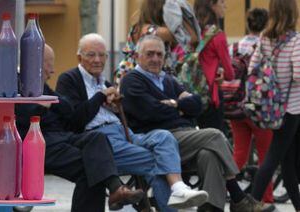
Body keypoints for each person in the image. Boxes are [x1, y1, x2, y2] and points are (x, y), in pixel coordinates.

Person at [56, 33, 208, 212]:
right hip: (99, 140)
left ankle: (178, 189)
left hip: (124, 133)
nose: (97, 60)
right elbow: (74, 120)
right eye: (91, 55)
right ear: (79, 57)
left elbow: (196, 104)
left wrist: (115, 106)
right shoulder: (69, 79)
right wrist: (100, 97)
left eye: (102, 55)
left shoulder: (103, 82)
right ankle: (174, 199)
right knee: (157, 164)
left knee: (164, 136)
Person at [119, 35, 267, 212]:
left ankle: (210, 209)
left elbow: (197, 105)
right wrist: (181, 106)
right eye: (150, 54)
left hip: (185, 137)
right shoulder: (131, 81)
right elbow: (150, 112)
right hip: (158, 140)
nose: (156, 59)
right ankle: (237, 196)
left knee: (209, 154)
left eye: (160, 54)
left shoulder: (168, 79)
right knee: (214, 135)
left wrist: (174, 104)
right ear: (137, 56)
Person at [15, 45, 145, 212]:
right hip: (38, 140)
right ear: (36, 63)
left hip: (62, 136)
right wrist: (44, 106)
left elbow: (67, 108)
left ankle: (116, 189)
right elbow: (25, 114)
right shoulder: (19, 83)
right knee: (91, 169)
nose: (52, 70)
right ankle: (116, 189)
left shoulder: (40, 86)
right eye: (49, 64)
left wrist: (49, 103)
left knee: (96, 137)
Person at [248, 0, 300, 211]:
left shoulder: (264, 39)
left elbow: (252, 67)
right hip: (291, 108)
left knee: (286, 161)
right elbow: (298, 74)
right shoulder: (295, 41)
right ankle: (249, 204)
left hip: (271, 106)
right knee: (272, 159)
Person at [223, 8, 274, 205]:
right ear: (267, 24)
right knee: (266, 156)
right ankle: (265, 199)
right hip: (258, 108)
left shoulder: (233, 47)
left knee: (239, 154)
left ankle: (219, 185)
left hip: (236, 107)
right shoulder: (266, 47)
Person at [115, 0, 200, 85]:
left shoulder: (151, 29)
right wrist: (178, 9)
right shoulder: (146, 30)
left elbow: (193, 39)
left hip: (152, 77)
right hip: (136, 79)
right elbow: (185, 35)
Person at [193, 0, 235, 132]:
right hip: (211, 96)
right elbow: (230, 74)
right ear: (212, 5)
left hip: (190, 93)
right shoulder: (217, 35)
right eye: (222, 2)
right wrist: (221, 72)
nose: (225, 6)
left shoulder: (194, 32)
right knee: (214, 140)